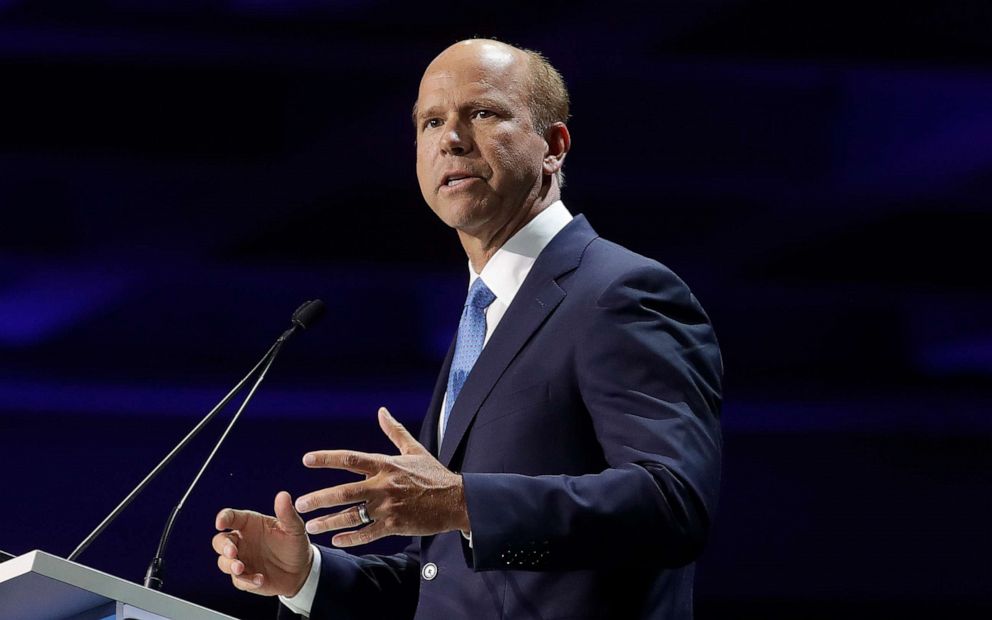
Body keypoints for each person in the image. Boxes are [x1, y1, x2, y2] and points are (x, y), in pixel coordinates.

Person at [212, 38, 723, 619]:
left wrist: (460, 502)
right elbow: (450, 579)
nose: (451, 138)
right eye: (431, 122)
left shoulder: (619, 292)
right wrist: (308, 577)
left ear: (553, 146)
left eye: (481, 113)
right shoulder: (485, 314)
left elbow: (672, 504)